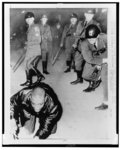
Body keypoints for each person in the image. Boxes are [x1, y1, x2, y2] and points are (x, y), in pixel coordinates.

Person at [80, 24, 108, 109]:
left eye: (93, 38)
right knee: (85, 75)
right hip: (94, 59)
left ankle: (106, 102)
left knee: (105, 78)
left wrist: (107, 61)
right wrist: (100, 62)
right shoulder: (84, 43)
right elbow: (89, 59)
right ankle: (97, 79)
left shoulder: (105, 38)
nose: (91, 40)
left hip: (106, 57)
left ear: (98, 35)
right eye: (89, 38)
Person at [71, 9, 101, 85]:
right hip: (80, 47)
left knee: (90, 65)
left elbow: (99, 36)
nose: (89, 16)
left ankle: (92, 83)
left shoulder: (96, 24)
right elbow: (77, 34)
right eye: (87, 14)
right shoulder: (80, 23)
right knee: (77, 63)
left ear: (93, 15)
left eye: (91, 15)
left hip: (89, 47)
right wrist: (75, 43)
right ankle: (79, 79)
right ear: (85, 14)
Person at [20, 12, 45, 87]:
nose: (27, 20)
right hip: (29, 50)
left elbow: (38, 40)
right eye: (26, 19)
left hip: (35, 50)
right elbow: (31, 39)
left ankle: (40, 76)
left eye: (29, 19)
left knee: (29, 64)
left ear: (33, 19)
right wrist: (26, 43)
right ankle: (28, 81)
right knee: (25, 65)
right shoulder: (30, 27)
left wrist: (29, 43)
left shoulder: (35, 27)